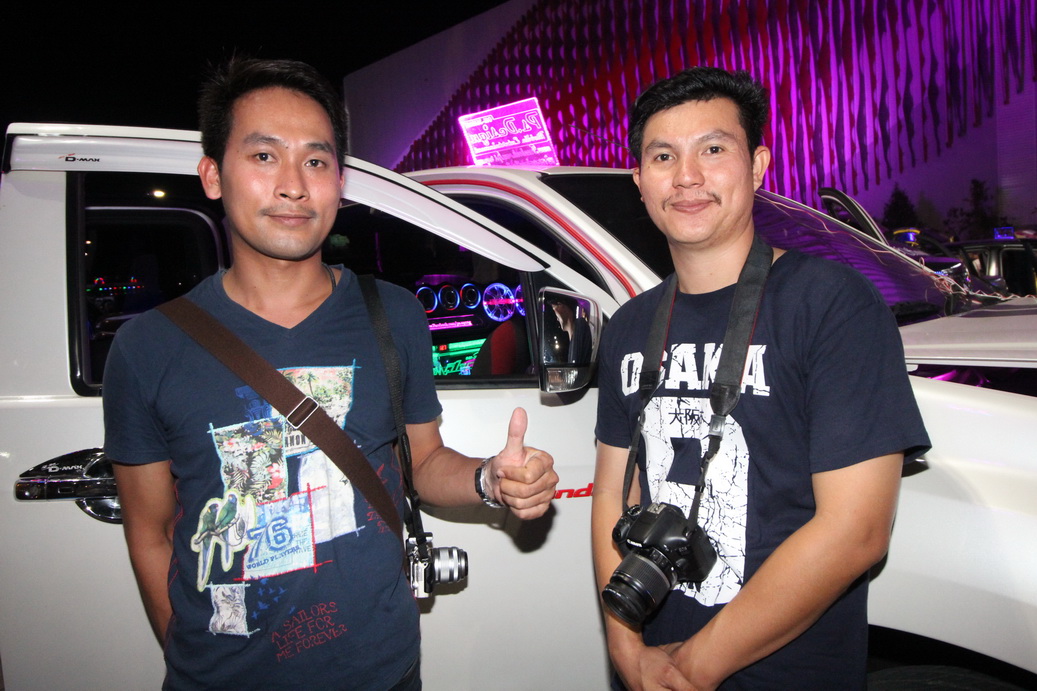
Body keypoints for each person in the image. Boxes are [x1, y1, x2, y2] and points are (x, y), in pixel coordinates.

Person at [103, 57, 558, 690]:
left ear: (339, 183)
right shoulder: (147, 347)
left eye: (315, 161)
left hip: (382, 670)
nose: (293, 185)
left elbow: (423, 463)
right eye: (264, 156)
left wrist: (489, 478)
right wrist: (194, 659)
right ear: (212, 175)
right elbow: (150, 532)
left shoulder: (393, 314)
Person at [591, 66, 930, 690]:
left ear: (758, 166)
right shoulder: (629, 326)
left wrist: (694, 667)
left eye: (713, 150)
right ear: (639, 181)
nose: (686, 176)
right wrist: (627, 650)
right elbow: (613, 493)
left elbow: (857, 531)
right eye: (663, 156)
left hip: (783, 672)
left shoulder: (831, 304)